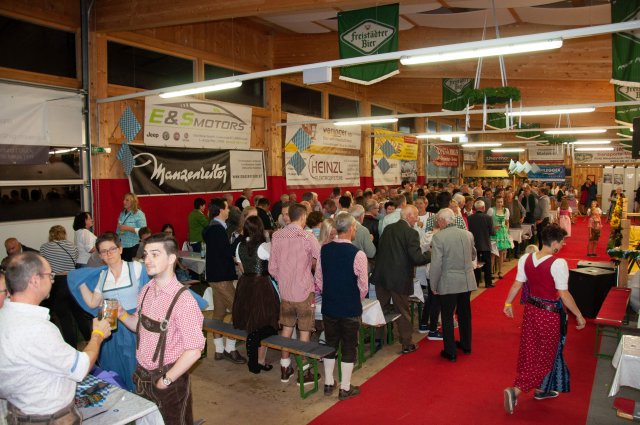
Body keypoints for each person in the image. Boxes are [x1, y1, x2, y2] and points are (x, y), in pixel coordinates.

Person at [0, 252, 111, 422]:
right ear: (34, 280)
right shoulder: (36, 329)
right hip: (48, 417)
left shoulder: (5, 316)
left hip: (19, 409)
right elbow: (80, 367)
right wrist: (97, 334)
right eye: (49, 275)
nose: (52, 280)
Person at [119, 234, 206, 425]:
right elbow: (140, 327)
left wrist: (166, 380)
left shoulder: (184, 300)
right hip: (141, 376)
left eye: (155, 254)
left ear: (172, 259)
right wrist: (121, 314)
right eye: (146, 255)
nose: (147, 260)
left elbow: (194, 351)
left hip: (168, 380)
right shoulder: (146, 290)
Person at [502, 224, 586, 415]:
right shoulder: (558, 263)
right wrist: (579, 315)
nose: (563, 245)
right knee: (545, 356)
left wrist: (508, 304)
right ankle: (515, 390)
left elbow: (517, 284)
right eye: (562, 242)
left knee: (530, 351)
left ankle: (542, 388)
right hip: (549, 314)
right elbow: (564, 295)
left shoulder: (525, 258)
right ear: (555, 243)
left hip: (531, 310)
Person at [68, 232, 150, 390]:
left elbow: (151, 293)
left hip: (133, 325)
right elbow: (93, 303)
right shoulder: (102, 276)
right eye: (104, 251)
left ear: (120, 249)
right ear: (100, 255)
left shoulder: (137, 268)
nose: (109, 254)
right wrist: (80, 282)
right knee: (114, 368)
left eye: (112, 249)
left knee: (136, 366)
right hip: (110, 327)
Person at [315, 213, 368, 400]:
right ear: (352, 228)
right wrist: (355, 299)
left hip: (329, 306)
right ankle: (345, 387)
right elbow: (363, 286)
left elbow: (318, 280)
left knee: (330, 344)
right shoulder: (358, 254)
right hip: (349, 307)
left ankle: (329, 383)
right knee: (348, 346)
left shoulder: (324, 250)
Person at [269, 203, 321, 384]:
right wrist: (318, 280)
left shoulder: (277, 235)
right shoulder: (307, 236)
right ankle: (303, 372)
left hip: (285, 291)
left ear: (289, 216)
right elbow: (320, 258)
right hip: (304, 290)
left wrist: (284, 279)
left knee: (287, 328)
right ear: (304, 217)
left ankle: (285, 368)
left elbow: (272, 267)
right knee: (304, 330)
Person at [373, 205, 430, 354]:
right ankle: (406, 343)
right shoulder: (411, 233)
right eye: (416, 216)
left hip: (382, 275)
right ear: (409, 216)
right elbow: (417, 258)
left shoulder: (388, 228)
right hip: (399, 278)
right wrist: (431, 254)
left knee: (381, 308)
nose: (417, 219)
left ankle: (378, 339)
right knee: (402, 310)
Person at [232, 216, 280, 374]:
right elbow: (274, 267)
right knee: (268, 320)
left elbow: (242, 268)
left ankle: (255, 359)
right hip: (261, 285)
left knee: (252, 320)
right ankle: (255, 354)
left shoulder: (239, 245)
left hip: (245, 284)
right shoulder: (265, 246)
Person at [429, 208, 477, 362]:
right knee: (464, 314)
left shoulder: (439, 238)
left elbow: (436, 264)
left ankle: (450, 351)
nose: (438, 223)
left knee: (448, 316)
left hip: (449, 282)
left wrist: (433, 284)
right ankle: (466, 345)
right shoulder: (467, 234)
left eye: (438, 221)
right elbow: (474, 254)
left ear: (443, 221)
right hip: (467, 279)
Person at [203, 198, 246, 364]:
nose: (228, 210)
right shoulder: (217, 230)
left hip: (216, 277)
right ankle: (230, 347)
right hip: (221, 277)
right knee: (238, 310)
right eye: (227, 208)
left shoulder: (214, 228)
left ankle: (219, 349)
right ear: (220, 210)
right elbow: (227, 252)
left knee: (219, 314)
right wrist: (240, 238)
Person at [40, 225, 92, 349]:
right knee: (79, 314)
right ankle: (89, 339)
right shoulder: (72, 246)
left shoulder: (45, 247)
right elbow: (74, 261)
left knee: (64, 317)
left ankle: (72, 347)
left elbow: (44, 263)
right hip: (72, 280)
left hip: (57, 282)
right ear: (64, 234)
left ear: (51, 235)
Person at [468, 200, 495, 288]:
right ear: (483, 208)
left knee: (476, 264)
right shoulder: (488, 218)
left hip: (474, 244)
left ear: (475, 208)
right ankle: (488, 283)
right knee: (487, 263)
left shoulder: (470, 218)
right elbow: (492, 232)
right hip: (485, 244)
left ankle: (476, 283)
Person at [117, 192, 147, 261]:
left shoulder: (139, 214)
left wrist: (127, 228)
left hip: (132, 246)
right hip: (121, 245)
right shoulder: (122, 213)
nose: (124, 202)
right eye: (124, 200)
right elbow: (119, 227)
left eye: (127, 200)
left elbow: (143, 231)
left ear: (133, 202)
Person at [487, 196, 511, 280]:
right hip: (494, 234)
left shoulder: (506, 210)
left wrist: (506, 230)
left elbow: (507, 222)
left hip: (502, 234)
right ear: (495, 202)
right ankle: (490, 273)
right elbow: (487, 223)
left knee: (501, 254)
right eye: (498, 202)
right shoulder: (491, 210)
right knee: (493, 254)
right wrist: (493, 227)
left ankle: (500, 271)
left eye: (501, 202)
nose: (500, 204)